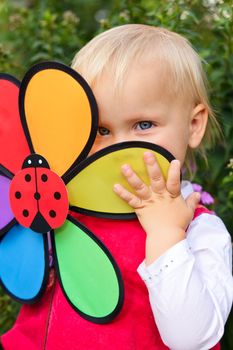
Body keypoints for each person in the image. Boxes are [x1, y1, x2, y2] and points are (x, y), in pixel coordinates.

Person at [1, 24, 233, 350]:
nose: (117, 149)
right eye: (101, 130)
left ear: (193, 125)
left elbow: (191, 338)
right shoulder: (63, 206)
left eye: (143, 125)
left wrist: (167, 237)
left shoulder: (200, 231)